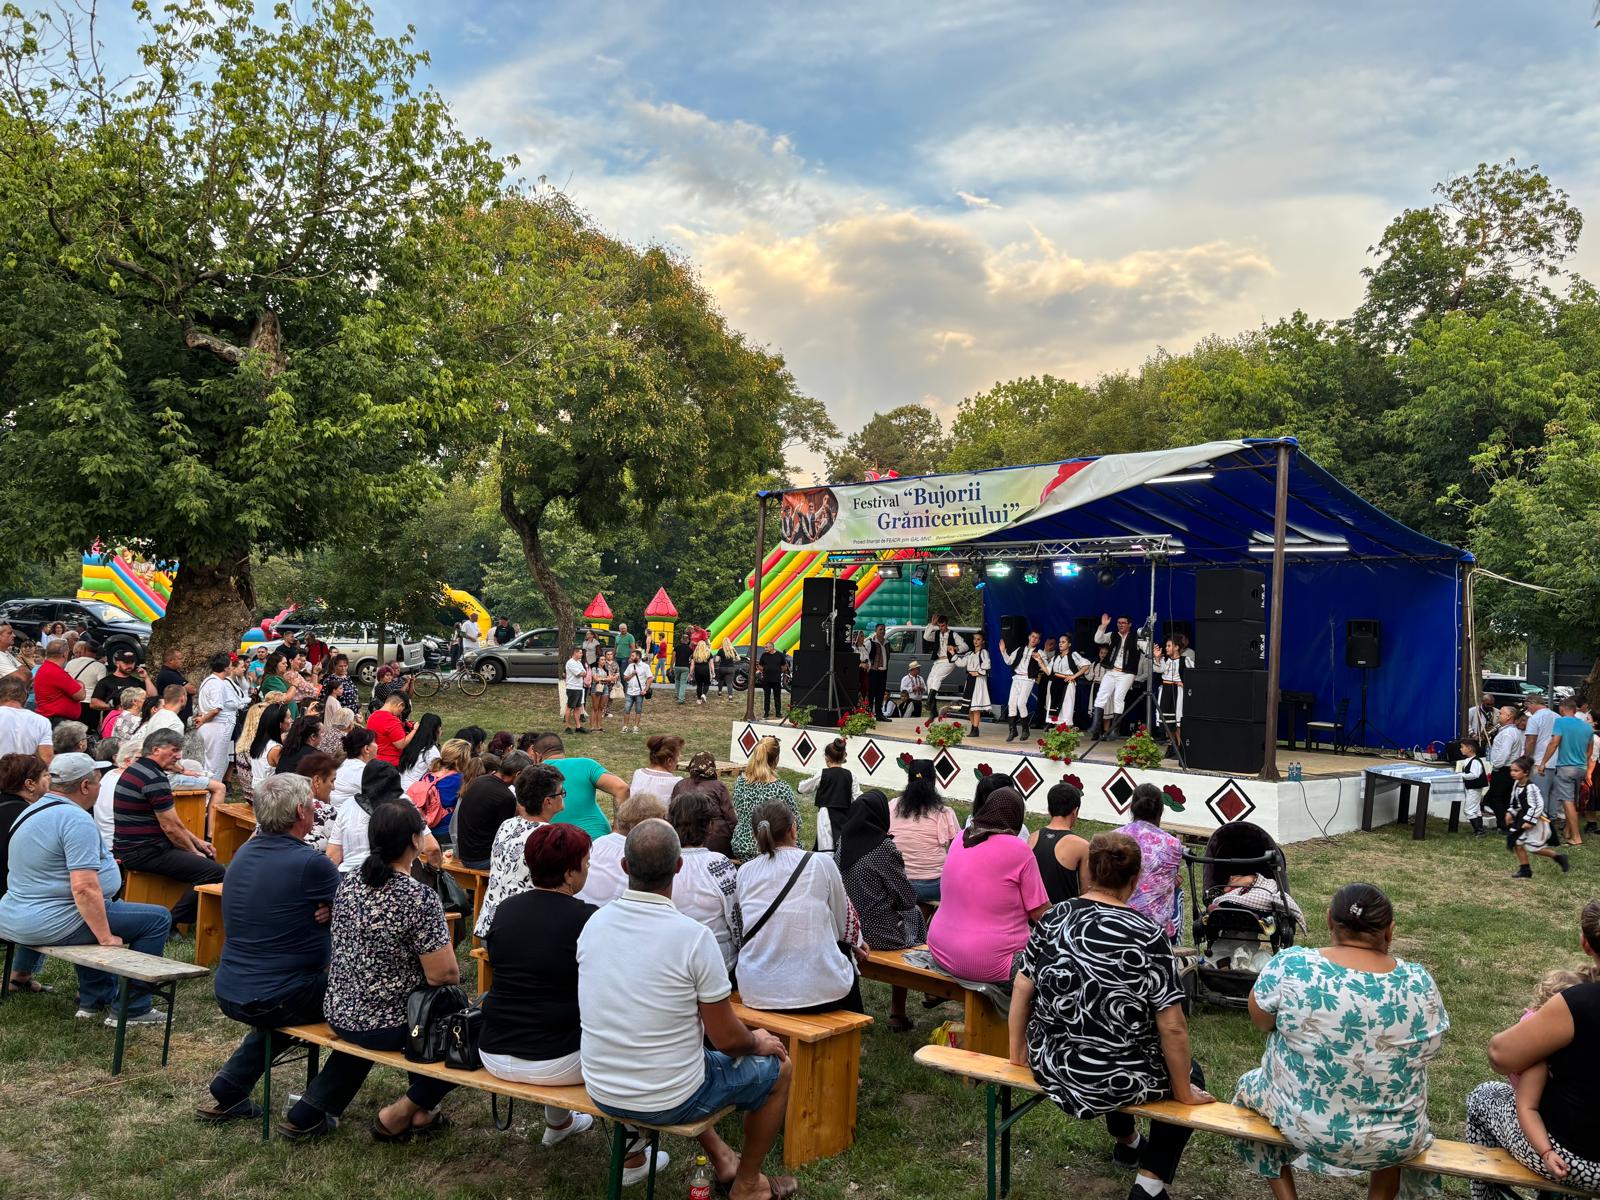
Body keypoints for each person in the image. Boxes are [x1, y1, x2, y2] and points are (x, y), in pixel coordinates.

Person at [577, 818, 795, 1200]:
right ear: (678, 867)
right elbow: (727, 1040)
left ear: (624, 866)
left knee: (682, 1060)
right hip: (669, 1095)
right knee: (780, 1069)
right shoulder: (694, 938)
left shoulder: (594, 924)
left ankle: (724, 1159)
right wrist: (757, 1041)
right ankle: (748, 1185)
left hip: (602, 1085)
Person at [1009, 832, 1213, 1200]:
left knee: (1113, 1044)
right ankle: (1149, 1185)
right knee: (1188, 1072)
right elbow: (1173, 1027)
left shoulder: (1053, 917)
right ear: (1134, 880)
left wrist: (1017, 1052)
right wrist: (1183, 1091)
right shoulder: (1149, 936)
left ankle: (1128, 1142)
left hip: (1053, 1063)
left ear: (1089, 871)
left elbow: (1023, 986)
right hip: (1116, 1074)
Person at [1231, 882, 1446, 1200]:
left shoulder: (1292, 965)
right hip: (1396, 1137)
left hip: (1307, 1126)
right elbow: (1431, 1047)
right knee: (1392, 1101)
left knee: (1248, 1090)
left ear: (1329, 919)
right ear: (1390, 931)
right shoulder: (1419, 982)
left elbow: (1261, 1021)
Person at [480, 822, 659, 1179]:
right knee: (626, 1039)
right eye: (586, 863)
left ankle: (559, 1124)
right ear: (568, 873)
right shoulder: (587, 918)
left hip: (493, 1049)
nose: (588, 869)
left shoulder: (506, 909)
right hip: (555, 1059)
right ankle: (633, 1160)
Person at [287, 803, 459, 1141]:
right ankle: (403, 1113)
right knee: (463, 1029)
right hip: (389, 1023)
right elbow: (443, 976)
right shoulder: (418, 898)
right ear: (415, 840)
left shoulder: (348, 884)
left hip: (341, 1010)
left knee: (383, 1025)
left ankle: (307, 1113)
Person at [196, 774, 347, 1123]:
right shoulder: (311, 863)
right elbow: (355, 915)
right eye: (312, 805)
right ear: (301, 812)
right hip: (279, 993)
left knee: (287, 998)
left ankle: (231, 1085)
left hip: (233, 987)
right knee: (367, 1007)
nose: (316, 810)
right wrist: (334, 910)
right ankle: (314, 1110)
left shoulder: (244, 854)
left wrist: (331, 909)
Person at [0, 752, 172, 1024]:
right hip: (49, 919)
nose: (100, 786)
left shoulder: (32, 809)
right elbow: (84, 889)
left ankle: (94, 1000)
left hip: (15, 915)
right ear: (84, 786)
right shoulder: (74, 819)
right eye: (97, 781)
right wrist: (106, 937)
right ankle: (134, 1009)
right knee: (156, 918)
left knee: (98, 912)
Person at [1467, 899, 1600, 1200]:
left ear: (1585, 943)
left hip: (1575, 1161)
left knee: (1483, 1097)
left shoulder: (1577, 1003)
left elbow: (1499, 1054)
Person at [736, 801, 861, 1013]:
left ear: (756, 835)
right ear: (793, 828)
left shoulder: (745, 872)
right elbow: (844, 919)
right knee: (842, 947)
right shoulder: (820, 863)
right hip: (819, 991)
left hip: (756, 988)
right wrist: (857, 941)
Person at [928, 788, 1048, 983]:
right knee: (1055, 965)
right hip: (990, 962)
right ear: (1017, 816)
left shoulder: (960, 838)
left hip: (940, 948)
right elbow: (1041, 914)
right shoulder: (1019, 850)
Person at [112, 727, 225, 924]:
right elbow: (170, 828)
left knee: (206, 855)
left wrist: (198, 842)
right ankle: (171, 922)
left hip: (131, 847)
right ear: (156, 750)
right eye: (174, 750)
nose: (179, 756)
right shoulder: (154, 778)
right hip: (144, 852)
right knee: (216, 872)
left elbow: (174, 823)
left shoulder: (137, 769)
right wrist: (193, 852)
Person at [836, 789, 923, 1029]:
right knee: (914, 914)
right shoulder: (883, 848)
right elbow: (907, 898)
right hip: (880, 934)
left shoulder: (843, 843)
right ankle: (899, 1011)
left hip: (849, 930)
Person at [476, 763, 567, 936]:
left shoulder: (508, 824)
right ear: (548, 801)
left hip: (489, 924)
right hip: (519, 931)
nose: (563, 796)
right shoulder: (548, 836)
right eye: (561, 792)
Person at [662, 788, 742, 975]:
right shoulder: (719, 864)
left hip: (669, 961)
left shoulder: (660, 862)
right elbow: (737, 920)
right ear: (710, 826)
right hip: (717, 963)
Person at [0, 753, 52, 993]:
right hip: (9, 902)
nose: (49, 780)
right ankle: (92, 993)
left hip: (10, 897)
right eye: (45, 775)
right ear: (30, 784)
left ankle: (19, 976)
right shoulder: (32, 817)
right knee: (66, 901)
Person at [1114, 784, 1184, 939]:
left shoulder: (1114, 838)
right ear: (1160, 810)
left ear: (1132, 808)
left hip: (1118, 921)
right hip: (1157, 929)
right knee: (1178, 895)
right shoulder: (1173, 844)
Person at [888, 759, 960, 904]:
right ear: (934, 781)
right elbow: (958, 849)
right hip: (934, 886)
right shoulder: (944, 812)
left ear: (909, 780)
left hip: (897, 883)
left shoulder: (892, 807)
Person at [577, 794, 668, 908]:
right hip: (612, 912)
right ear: (649, 825)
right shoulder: (641, 853)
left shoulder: (600, 842)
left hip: (582, 906)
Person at [536, 732, 628, 841]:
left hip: (560, 843)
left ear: (537, 755)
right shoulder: (586, 764)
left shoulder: (533, 775)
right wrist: (617, 831)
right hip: (598, 839)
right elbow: (622, 788)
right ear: (562, 751)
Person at [452, 750, 533, 871]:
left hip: (465, 855)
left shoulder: (479, 780)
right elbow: (507, 837)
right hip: (483, 860)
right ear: (518, 774)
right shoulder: (506, 797)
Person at [327, 760, 405, 875]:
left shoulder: (348, 805)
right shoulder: (404, 804)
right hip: (393, 874)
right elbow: (430, 848)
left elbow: (333, 855)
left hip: (349, 875)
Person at [731, 736, 800, 861]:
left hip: (741, 845)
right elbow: (796, 822)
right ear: (776, 759)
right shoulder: (781, 788)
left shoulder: (740, 783)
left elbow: (736, 813)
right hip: (771, 846)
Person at [1539, 697, 1592, 845]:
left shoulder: (1560, 722)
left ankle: (1576, 837)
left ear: (1562, 709)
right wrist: (1583, 762)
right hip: (1581, 768)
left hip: (1565, 767)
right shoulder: (1587, 727)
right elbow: (1590, 750)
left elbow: (1554, 743)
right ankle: (1568, 831)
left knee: (1567, 802)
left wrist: (1543, 762)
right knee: (1573, 802)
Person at [1507, 755, 1570, 877]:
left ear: (1525, 772)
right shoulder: (1516, 784)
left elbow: (1537, 806)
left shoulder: (1531, 788)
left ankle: (1558, 856)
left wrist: (1530, 821)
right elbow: (1515, 802)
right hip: (1522, 818)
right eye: (1511, 770)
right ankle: (1525, 870)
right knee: (1517, 843)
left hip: (1537, 821)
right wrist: (1511, 812)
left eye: (1516, 771)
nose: (1512, 773)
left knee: (1534, 848)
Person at [1029, 781, 1089, 904]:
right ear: (1075, 811)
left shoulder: (1032, 838)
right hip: (1064, 914)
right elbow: (1087, 892)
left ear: (1049, 809)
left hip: (1034, 913)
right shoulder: (1082, 846)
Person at [670, 753, 738, 858]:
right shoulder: (719, 786)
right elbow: (730, 817)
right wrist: (736, 837)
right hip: (717, 842)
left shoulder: (680, 785)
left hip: (683, 838)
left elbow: (672, 814)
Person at [1090, 614, 1144, 740]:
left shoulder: (1136, 638)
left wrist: (1154, 651)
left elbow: (1147, 648)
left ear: (1129, 624)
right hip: (1111, 671)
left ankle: (1114, 729)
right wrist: (1103, 626)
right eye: (1119, 622)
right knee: (1100, 696)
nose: (1120, 625)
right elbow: (1098, 639)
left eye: (1123, 623)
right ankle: (1096, 726)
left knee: (1118, 698)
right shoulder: (1112, 635)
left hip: (1127, 673)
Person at [797, 737, 855, 851]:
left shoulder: (822, 774)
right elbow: (857, 797)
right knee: (841, 846)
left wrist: (801, 785)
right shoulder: (851, 775)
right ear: (843, 756)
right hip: (845, 815)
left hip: (826, 816)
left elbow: (803, 788)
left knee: (826, 848)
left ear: (827, 757)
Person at [196, 652, 246, 780]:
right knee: (215, 764)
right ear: (225, 668)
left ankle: (214, 789)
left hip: (216, 726)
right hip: (217, 727)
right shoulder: (216, 684)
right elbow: (216, 709)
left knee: (222, 761)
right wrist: (203, 719)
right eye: (230, 665)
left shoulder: (211, 681)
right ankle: (210, 791)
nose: (231, 668)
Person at [999, 630, 1045, 742]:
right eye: (1033, 636)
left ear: (1038, 641)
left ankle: (1025, 730)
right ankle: (1012, 730)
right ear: (1029, 637)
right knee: (1011, 703)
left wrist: (1040, 659)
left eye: (1036, 638)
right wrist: (1003, 651)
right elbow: (1009, 661)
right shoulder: (1020, 649)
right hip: (1017, 678)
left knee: (1021, 703)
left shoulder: (1040, 652)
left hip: (1028, 679)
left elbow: (1046, 666)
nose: (1034, 639)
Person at [31, 639, 86, 728]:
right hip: (56, 721)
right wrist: (81, 684)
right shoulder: (56, 672)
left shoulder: (46, 668)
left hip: (51, 719)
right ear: (65, 654)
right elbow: (81, 695)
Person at [0, 676, 52, 762]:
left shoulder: (42, 721)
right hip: (26, 769)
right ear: (24, 696)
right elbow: (46, 758)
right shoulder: (42, 721)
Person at [1486, 704, 1521, 830]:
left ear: (1508, 716)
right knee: (1505, 797)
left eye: (1501, 713)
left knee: (1496, 798)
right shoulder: (1511, 731)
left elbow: (1505, 752)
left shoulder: (1508, 733)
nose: (1498, 715)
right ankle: (1506, 823)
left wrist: (1496, 764)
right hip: (1508, 768)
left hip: (1503, 768)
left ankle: (1503, 823)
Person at [1154, 637, 1186, 754]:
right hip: (1166, 690)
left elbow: (1194, 675)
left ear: (1176, 647)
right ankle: (1173, 746)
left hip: (1178, 691)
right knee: (1168, 721)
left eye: (1169, 646)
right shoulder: (1164, 660)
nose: (1166, 648)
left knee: (1177, 721)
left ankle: (1181, 748)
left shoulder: (1185, 660)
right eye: (1166, 646)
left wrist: (1184, 684)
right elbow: (1158, 670)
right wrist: (1157, 658)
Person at [630, 734, 684, 804]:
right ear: (669, 761)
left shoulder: (638, 773)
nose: (679, 760)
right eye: (678, 756)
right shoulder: (677, 782)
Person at [367, 690, 415, 767]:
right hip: (390, 763)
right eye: (402, 710)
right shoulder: (391, 721)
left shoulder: (372, 716)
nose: (400, 713)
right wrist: (415, 730)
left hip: (374, 760)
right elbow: (401, 744)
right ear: (400, 705)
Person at [397, 712, 443, 790]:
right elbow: (438, 774)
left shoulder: (411, 743)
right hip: (414, 792)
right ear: (437, 730)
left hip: (399, 787)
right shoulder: (431, 751)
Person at [153, 647, 195, 724]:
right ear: (171, 661)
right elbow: (192, 690)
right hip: (176, 716)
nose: (182, 661)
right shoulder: (168, 674)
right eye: (180, 658)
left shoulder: (172, 672)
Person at [1459, 737, 1491, 837]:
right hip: (1470, 788)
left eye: (1462, 747)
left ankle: (1480, 831)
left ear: (1469, 748)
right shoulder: (1468, 760)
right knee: (1476, 809)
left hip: (1474, 788)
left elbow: (1475, 775)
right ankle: (1479, 830)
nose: (1460, 749)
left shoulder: (1475, 762)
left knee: (1468, 809)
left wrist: (1461, 775)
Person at [963, 632, 993, 737]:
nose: (975, 641)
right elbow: (961, 663)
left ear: (983, 641)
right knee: (969, 707)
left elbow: (987, 665)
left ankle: (975, 729)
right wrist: (952, 653)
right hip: (970, 680)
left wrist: (978, 672)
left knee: (976, 707)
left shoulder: (984, 652)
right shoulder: (970, 654)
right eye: (974, 639)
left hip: (978, 680)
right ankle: (973, 728)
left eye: (978, 639)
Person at [621, 650, 652, 734]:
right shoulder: (630, 666)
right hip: (630, 691)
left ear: (638, 657)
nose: (631, 657)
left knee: (638, 710)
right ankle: (625, 726)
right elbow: (625, 678)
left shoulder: (645, 666)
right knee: (627, 709)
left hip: (639, 692)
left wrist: (645, 690)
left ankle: (636, 727)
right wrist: (632, 674)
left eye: (633, 656)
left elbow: (650, 678)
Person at [1523, 693, 1555, 774]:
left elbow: (1531, 741)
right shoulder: (1557, 716)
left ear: (1532, 703)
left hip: (1538, 762)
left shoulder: (1534, 718)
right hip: (1557, 762)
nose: (1528, 710)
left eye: (1527, 706)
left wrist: (1526, 758)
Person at [757, 643, 787, 720]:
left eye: (766, 647)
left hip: (776, 679)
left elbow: (784, 667)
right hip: (766, 679)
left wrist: (778, 671)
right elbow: (760, 665)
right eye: (765, 647)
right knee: (766, 696)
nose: (765, 648)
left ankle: (778, 713)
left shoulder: (780, 655)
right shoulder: (764, 655)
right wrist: (764, 670)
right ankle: (766, 713)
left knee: (777, 697)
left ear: (772, 647)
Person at [588, 649, 616, 733]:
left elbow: (611, 679)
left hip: (605, 687)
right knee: (595, 708)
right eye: (602, 660)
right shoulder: (594, 668)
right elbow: (595, 679)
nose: (604, 661)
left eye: (604, 660)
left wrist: (604, 679)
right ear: (598, 661)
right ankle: (592, 726)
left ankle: (599, 726)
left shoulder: (606, 670)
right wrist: (606, 678)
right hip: (596, 687)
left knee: (601, 708)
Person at [562, 648, 587, 734]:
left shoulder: (578, 662)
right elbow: (580, 674)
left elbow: (585, 673)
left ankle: (578, 727)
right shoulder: (570, 662)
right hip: (572, 687)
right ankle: (567, 727)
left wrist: (582, 673)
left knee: (577, 708)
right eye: (580, 653)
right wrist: (582, 673)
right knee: (569, 707)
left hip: (579, 687)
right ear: (575, 653)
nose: (582, 654)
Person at [691, 635, 714, 705]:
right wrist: (713, 672)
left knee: (699, 685)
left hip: (697, 670)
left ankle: (699, 700)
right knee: (707, 683)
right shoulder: (708, 653)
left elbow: (692, 665)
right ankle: (704, 694)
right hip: (705, 669)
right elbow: (711, 664)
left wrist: (691, 673)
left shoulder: (695, 654)